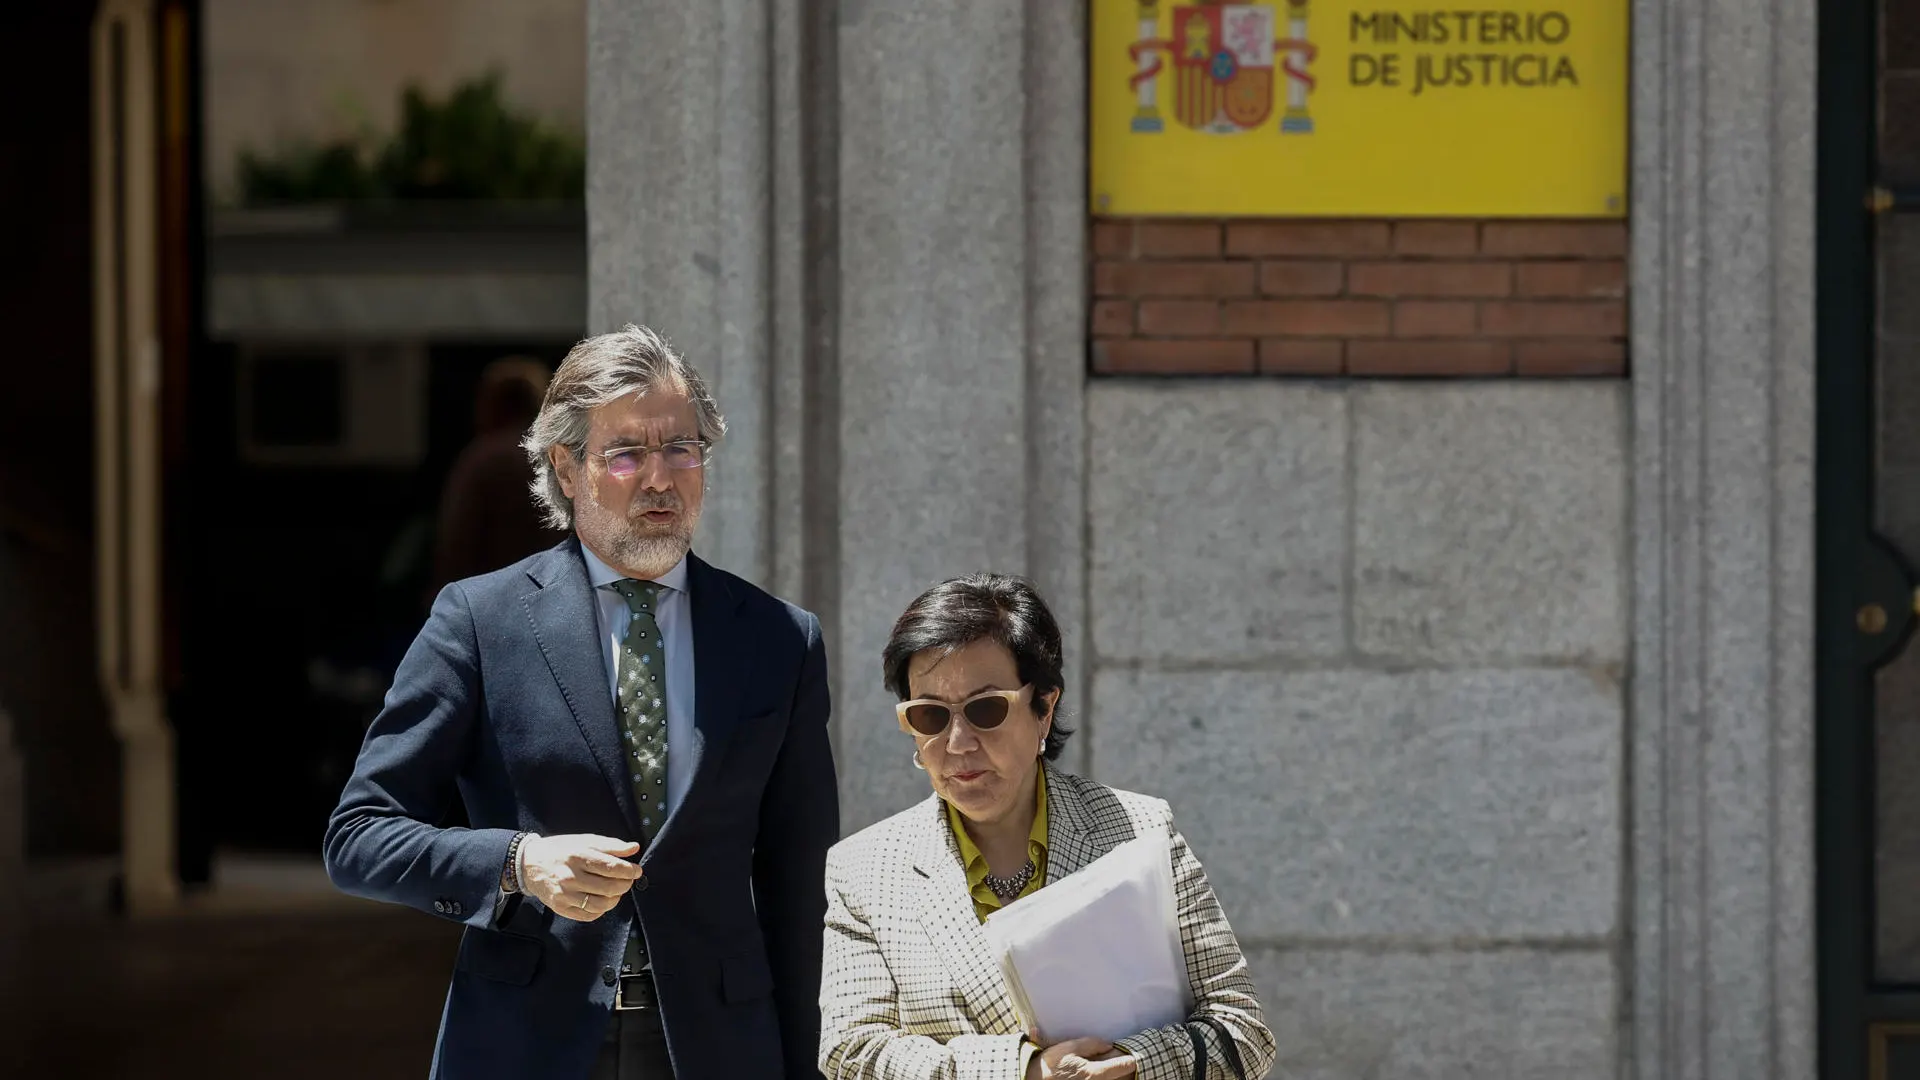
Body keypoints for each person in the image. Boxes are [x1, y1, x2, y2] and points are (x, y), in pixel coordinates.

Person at [325, 324, 838, 1080]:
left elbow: (800, 891)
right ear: (567, 468)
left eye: (682, 449)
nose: (660, 479)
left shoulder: (779, 638)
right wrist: (518, 863)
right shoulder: (479, 622)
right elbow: (359, 837)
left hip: (719, 1046)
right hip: (528, 1041)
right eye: (627, 453)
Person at [818, 574, 1276, 1080]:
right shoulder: (864, 870)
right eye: (930, 716)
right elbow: (851, 1054)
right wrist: (1023, 1071)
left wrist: (1135, 1064)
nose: (958, 742)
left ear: (1044, 708)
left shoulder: (1141, 831)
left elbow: (1243, 1033)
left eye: (985, 709)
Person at [430, 355, 566, 593]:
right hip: (551, 591)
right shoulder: (560, 458)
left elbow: (457, 540)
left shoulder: (482, 460)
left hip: (490, 595)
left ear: (495, 404)